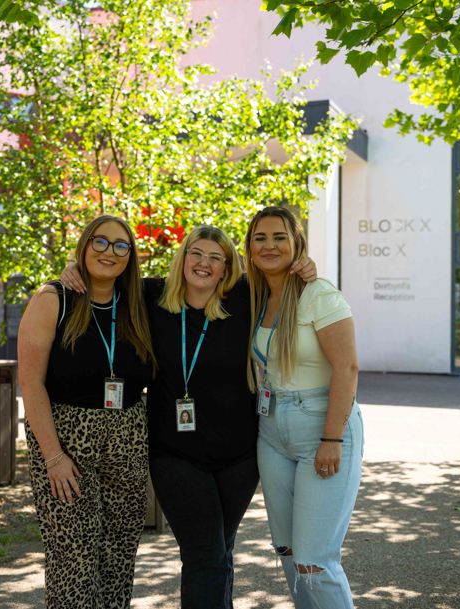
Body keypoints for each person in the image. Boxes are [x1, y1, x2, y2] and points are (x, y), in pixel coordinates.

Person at [61, 224, 318, 609]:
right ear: (183, 259)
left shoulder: (246, 297)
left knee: (219, 551)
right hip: (175, 455)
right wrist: (72, 265)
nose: (204, 263)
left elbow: (280, 272)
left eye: (216, 258)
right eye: (197, 253)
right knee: (204, 555)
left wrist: (307, 266)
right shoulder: (151, 296)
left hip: (239, 458)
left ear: (227, 269)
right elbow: (108, 269)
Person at [17, 214, 156, 609]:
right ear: (84, 245)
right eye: (99, 242)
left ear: (131, 255)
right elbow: (31, 383)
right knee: (72, 561)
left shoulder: (142, 301)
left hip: (127, 441)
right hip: (65, 443)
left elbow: (207, 275)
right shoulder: (53, 299)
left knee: (118, 557)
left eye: (120, 245)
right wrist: (53, 458)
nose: (109, 251)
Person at [246, 206, 364, 609]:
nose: (269, 245)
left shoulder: (319, 293)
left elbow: (346, 368)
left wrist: (332, 438)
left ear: (296, 242)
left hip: (321, 426)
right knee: (290, 554)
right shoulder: (255, 296)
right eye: (260, 237)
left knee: (315, 561)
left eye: (279, 236)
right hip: (272, 431)